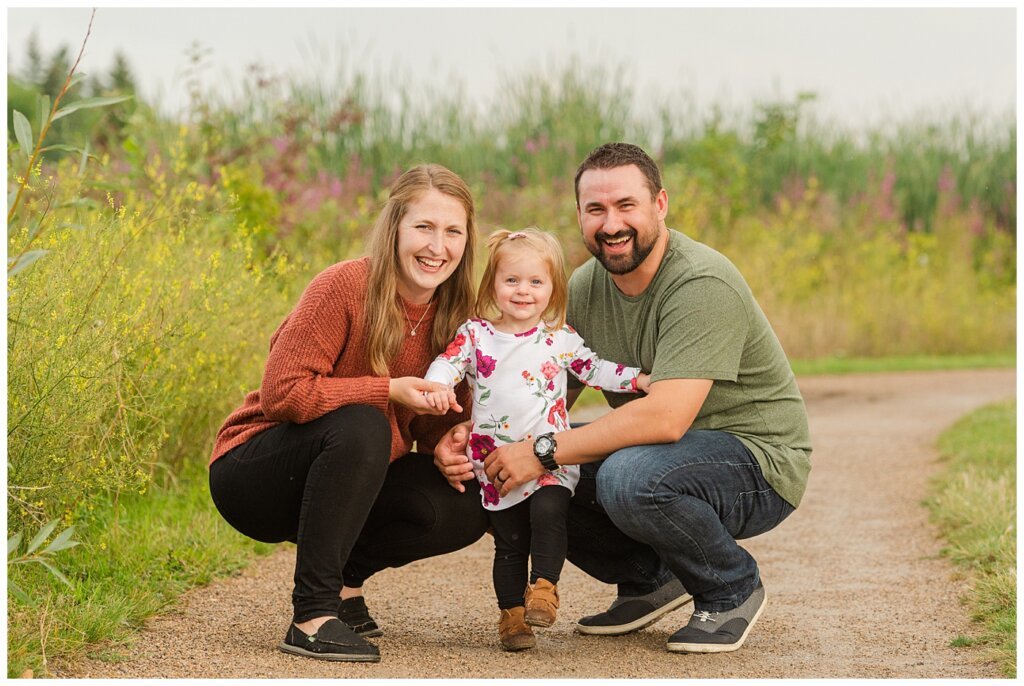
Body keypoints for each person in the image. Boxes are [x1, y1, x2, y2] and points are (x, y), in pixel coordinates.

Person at [434, 142, 812, 655]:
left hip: (758, 462)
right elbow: (540, 386)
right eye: (596, 209)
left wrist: (541, 450)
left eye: (626, 205)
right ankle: (650, 580)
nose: (611, 224)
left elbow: (667, 418)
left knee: (624, 477)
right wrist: (473, 432)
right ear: (581, 217)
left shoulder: (701, 282)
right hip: (672, 457)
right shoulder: (587, 286)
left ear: (660, 205)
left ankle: (729, 587)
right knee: (516, 475)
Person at [208, 163, 489, 663]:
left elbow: (435, 424)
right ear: (395, 227)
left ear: (467, 241)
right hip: (257, 471)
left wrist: (451, 440)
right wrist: (387, 390)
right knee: (362, 422)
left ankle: (345, 584)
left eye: (453, 232)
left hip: (353, 476)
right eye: (423, 227)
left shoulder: (458, 318)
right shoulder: (343, 286)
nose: (437, 246)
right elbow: (283, 395)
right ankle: (311, 617)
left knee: (469, 500)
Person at [422, 228, 650, 652]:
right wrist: (437, 385)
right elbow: (447, 363)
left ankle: (544, 587)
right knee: (509, 543)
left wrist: (636, 378)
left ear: (552, 289)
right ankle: (511, 617)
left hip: (549, 458)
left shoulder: (559, 339)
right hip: (495, 462)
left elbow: (595, 369)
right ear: (493, 284)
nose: (523, 292)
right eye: (511, 281)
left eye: (535, 282)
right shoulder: (476, 335)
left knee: (550, 512)